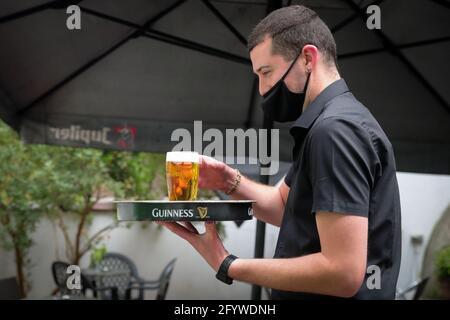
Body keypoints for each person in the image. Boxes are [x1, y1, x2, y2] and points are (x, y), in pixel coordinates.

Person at [159, 5, 402, 299]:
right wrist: (227, 180)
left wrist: (227, 264)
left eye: (266, 72)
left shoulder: (335, 131)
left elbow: (343, 272)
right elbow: (285, 207)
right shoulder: (329, 124)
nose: (262, 89)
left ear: (308, 58)